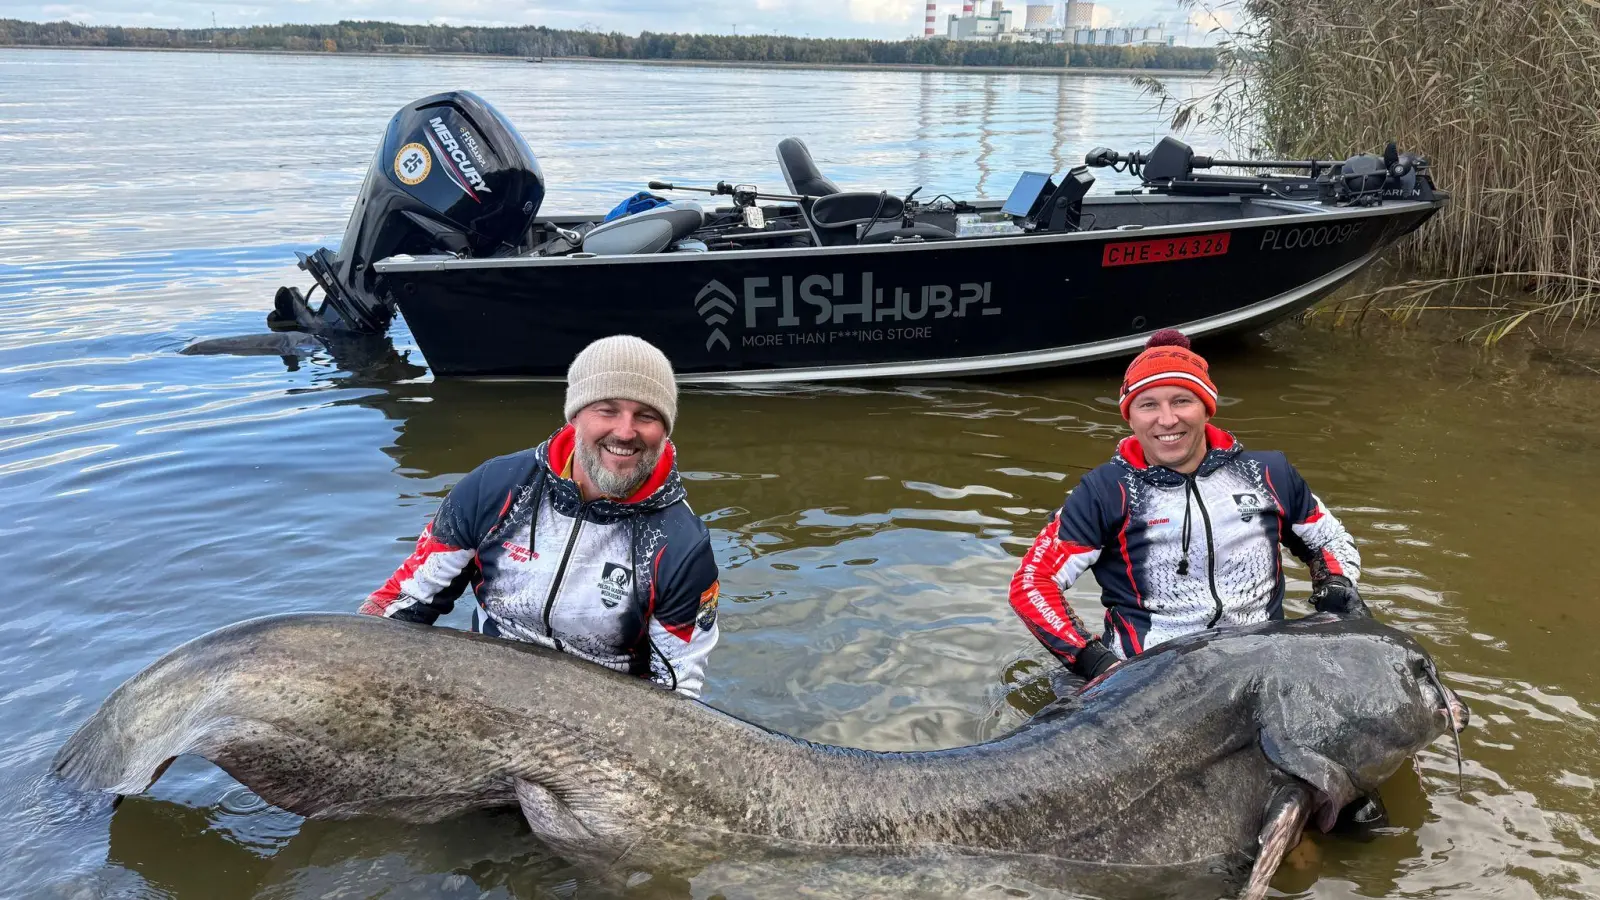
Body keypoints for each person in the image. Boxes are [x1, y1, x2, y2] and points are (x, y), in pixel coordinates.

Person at [359, 335, 721, 698]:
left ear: (664, 429)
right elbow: (403, 605)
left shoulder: (681, 546)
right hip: (486, 684)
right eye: (607, 410)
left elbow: (677, 694)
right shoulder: (495, 487)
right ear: (576, 414)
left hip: (601, 713)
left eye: (646, 416)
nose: (625, 432)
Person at [1009, 329, 1367, 683]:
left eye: (1182, 400)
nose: (1167, 420)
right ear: (1130, 417)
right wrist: (1096, 664)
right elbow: (1032, 583)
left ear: (1206, 408)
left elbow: (1328, 540)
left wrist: (1335, 586)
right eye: (1148, 405)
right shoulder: (1103, 491)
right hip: (1147, 679)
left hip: (1260, 667)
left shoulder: (1268, 473)